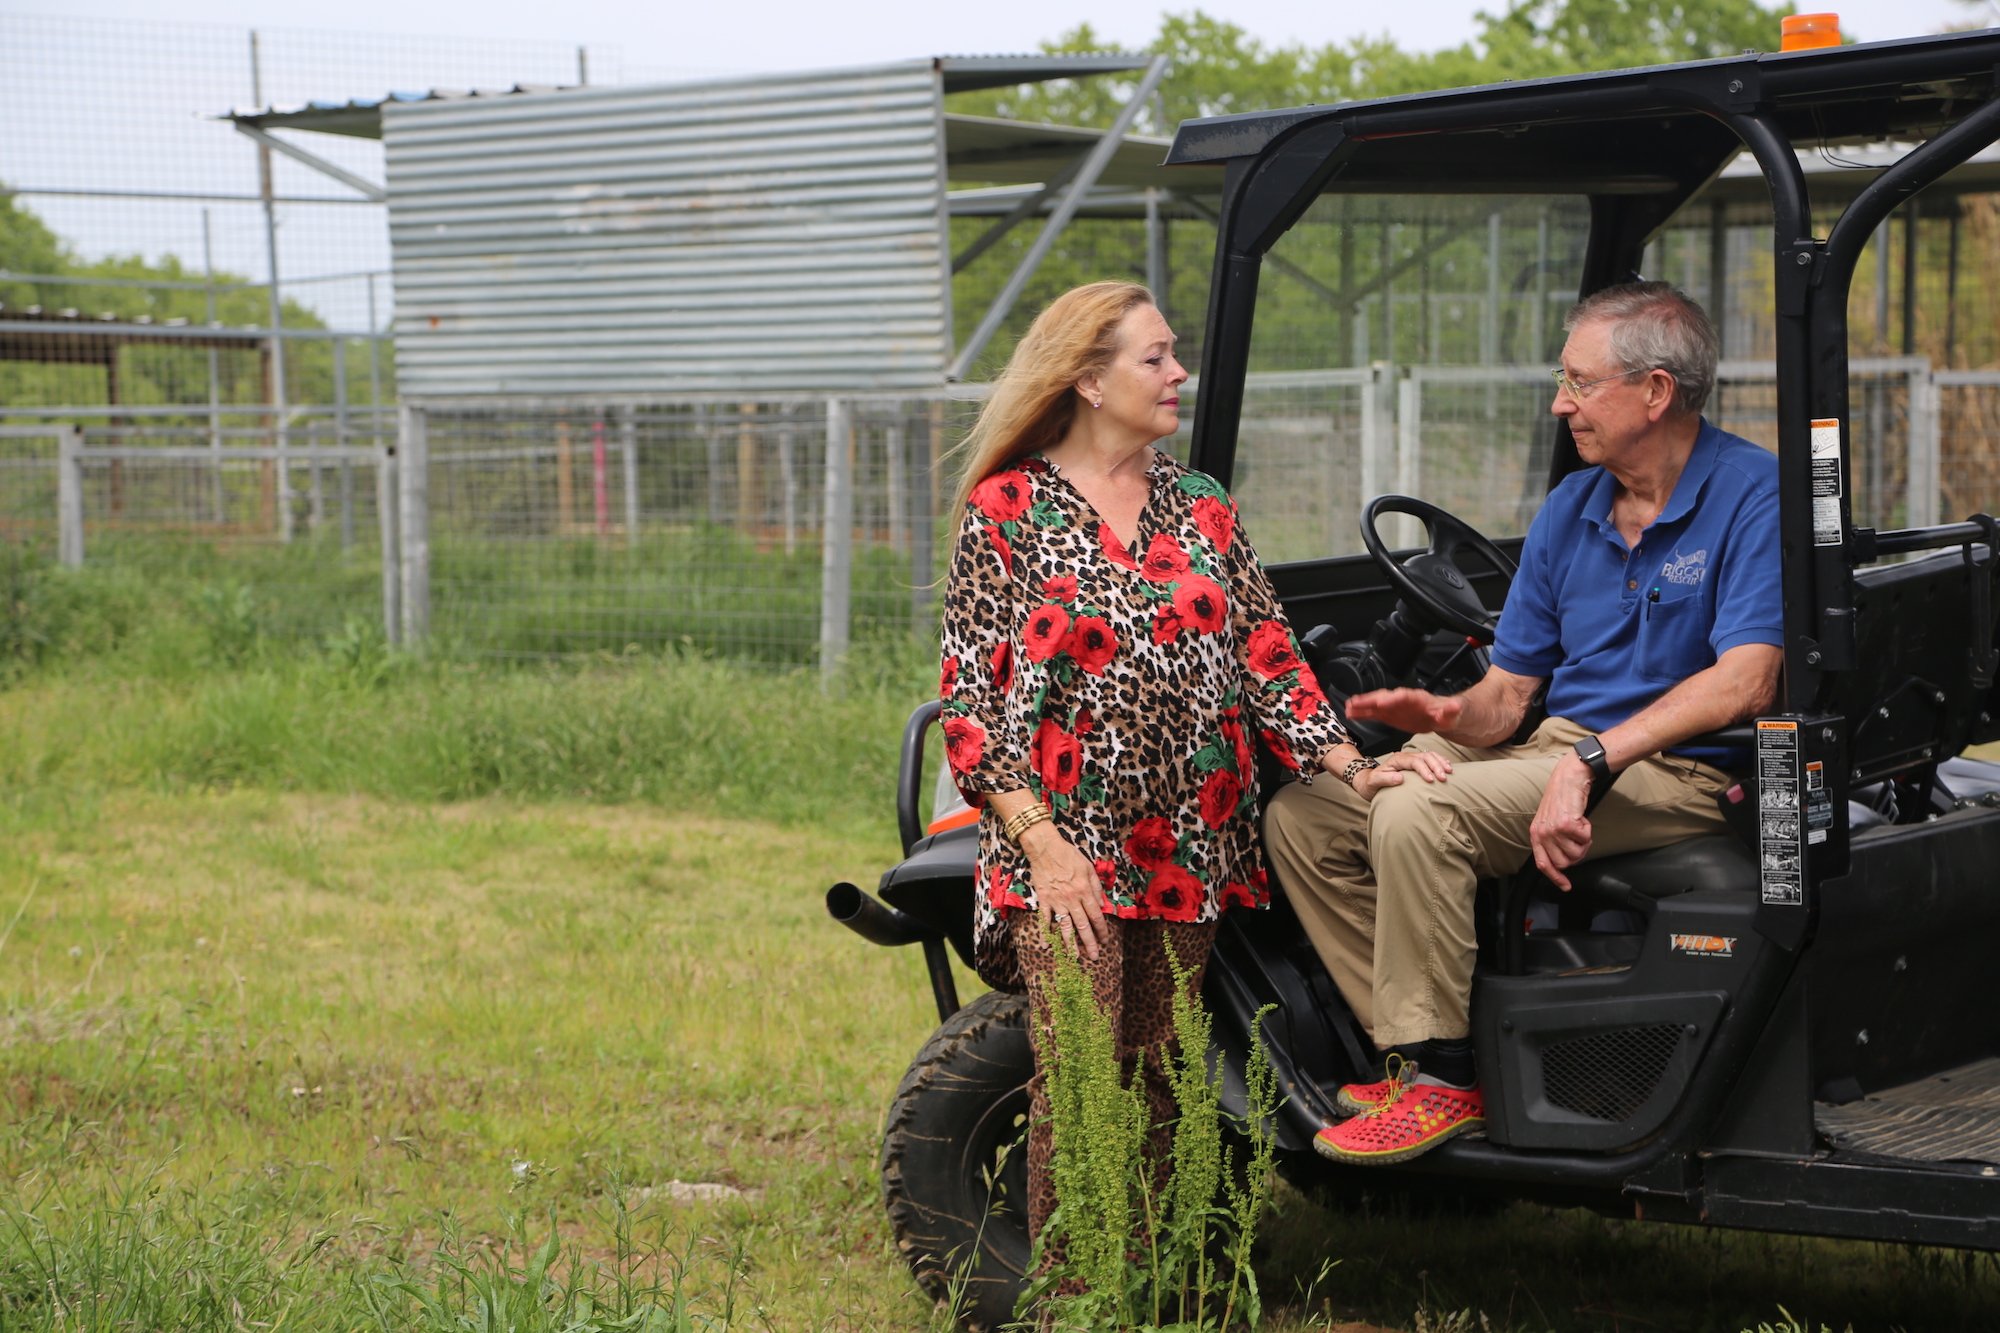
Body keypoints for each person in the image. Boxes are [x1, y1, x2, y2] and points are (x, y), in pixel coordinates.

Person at [937, 280, 1445, 1273]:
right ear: (1086, 377)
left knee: (1166, 1077)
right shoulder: (1007, 508)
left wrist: (1353, 767)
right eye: (1154, 357)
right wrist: (1044, 850)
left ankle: (1166, 1287)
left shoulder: (1201, 505)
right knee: (1081, 1080)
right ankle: (1076, 1298)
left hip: (1183, 848)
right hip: (1062, 852)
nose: (1178, 374)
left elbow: (1269, 658)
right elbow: (967, 710)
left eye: (1174, 354)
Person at [1264, 281, 1782, 1165]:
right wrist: (1441, 716)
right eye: (1561, 378)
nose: (1561, 402)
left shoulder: (1751, 494)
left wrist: (1589, 759)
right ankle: (1411, 1046)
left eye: (1580, 382)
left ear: (1655, 392)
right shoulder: (1572, 509)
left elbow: (1747, 681)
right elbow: (1508, 696)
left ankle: (1448, 1076)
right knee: (1308, 813)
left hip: (1680, 770)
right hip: (1558, 743)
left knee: (1421, 813)